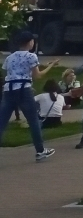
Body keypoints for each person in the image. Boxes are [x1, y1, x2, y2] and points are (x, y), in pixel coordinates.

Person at [0, 31, 60, 161]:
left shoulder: (10, 57)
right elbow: (37, 75)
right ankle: (40, 151)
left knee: (2, 121)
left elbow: (8, 74)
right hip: (24, 90)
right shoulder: (31, 56)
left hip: (9, 89)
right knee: (33, 121)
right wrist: (51, 65)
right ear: (30, 42)